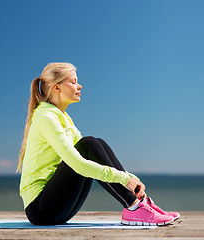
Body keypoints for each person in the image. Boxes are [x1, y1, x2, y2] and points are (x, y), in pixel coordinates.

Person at [17, 62, 180, 226]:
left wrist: (132, 179)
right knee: (88, 144)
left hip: (58, 208)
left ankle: (139, 204)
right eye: (73, 82)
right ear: (57, 88)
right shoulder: (45, 118)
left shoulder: (64, 118)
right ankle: (134, 207)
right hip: (40, 210)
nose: (79, 86)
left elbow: (92, 157)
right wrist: (124, 179)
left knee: (95, 143)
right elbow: (78, 164)